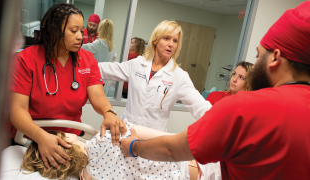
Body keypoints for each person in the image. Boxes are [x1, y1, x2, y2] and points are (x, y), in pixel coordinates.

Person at [120, 2, 310, 180]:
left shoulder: (244, 107)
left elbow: (174, 150)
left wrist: (134, 147)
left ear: (275, 57)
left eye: (258, 55)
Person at [8, 3, 126, 170]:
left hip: (69, 139)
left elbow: (98, 95)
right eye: (73, 31)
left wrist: (109, 112)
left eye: (81, 31)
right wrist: (40, 137)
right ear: (54, 30)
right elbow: (17, 110)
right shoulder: (26, 59)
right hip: (29, 138)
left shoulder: (87, 60)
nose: (81, 37)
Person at [98, 20, 212, 132]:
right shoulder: (138, 64)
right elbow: (105, 69)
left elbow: (200, 106)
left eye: (175, 40)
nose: (171, 44)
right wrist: (83, 62)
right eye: (166, 38)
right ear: (155, 40)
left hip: (152, 139)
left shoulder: (179, 76)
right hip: (126, 131)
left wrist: (222, 124)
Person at [20, 123, 194, 180]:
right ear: (66, 140)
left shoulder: (87, 177)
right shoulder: (103, 138)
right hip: (186, 162)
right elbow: (166, 139)